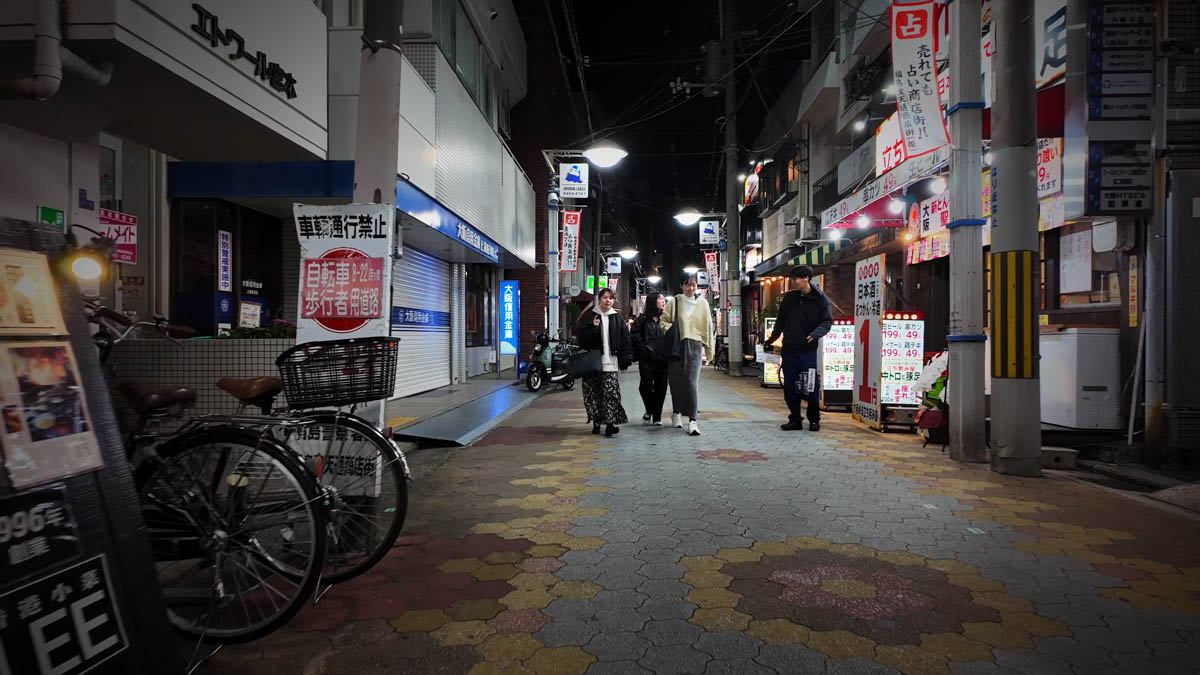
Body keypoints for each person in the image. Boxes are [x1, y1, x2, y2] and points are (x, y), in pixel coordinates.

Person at [764, 265, 833, 431]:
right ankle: (795, 419)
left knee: (810, 386)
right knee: (790, 385)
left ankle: (814, 420)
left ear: (806, 279)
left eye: (795, 279)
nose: (792, 282)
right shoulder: (789, 299)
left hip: (807, 350)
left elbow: (827, 322)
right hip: (789, 349)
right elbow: (780, 322)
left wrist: (816, 334)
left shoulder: (820, 299)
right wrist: (771, 340)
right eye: (791, 279)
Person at [576, 287, 633, 437]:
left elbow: (625, 340)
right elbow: (582, 339)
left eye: (610, 298)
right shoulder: (591, 316)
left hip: (611, 362)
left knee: (611, 393)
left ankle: (609, 423)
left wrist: (625, 360)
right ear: (599, 299)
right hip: (593, 364)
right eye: (605, 297)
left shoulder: (617, 318)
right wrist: (593, 328)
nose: (608, 300)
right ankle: (596, 421)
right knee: (593, 394)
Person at [660, 277, 713, 436]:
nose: (691, 288)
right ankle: (676, 412)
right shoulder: (674, 302)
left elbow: (709, 326)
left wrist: (709, 350)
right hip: (677, 346)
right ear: (681, 286)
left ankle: (692, 420)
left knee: (691, 383)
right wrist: (673, 330)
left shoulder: (703, 303)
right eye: (687, 285)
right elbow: (663, 321)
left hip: (695, 346)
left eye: (694, 285)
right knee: (676, 382)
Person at [630, 292, 668, 425]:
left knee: (661, 388)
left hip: (663, 360)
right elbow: (634, 335)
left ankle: (657, 416)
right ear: (653, 301)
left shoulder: (666, 319)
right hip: (646, 359)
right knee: (645, 386)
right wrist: (644, 349)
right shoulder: (642, 320)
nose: (663, 301)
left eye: (664, 299)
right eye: (660, 299)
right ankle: (650, 410)